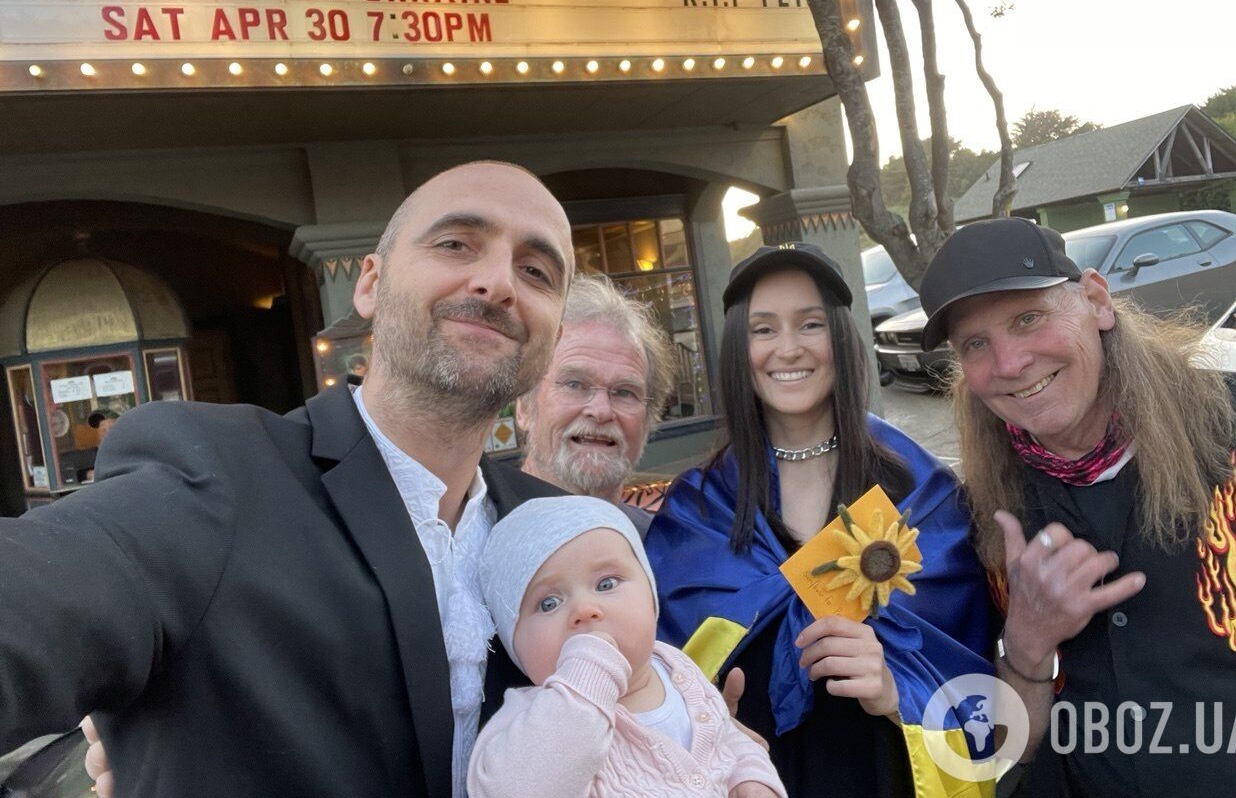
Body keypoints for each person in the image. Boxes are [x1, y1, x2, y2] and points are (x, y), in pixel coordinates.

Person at [0, 160, 575, 798]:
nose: (497, 282)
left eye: (536, 272)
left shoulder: (558, 530)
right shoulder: (213, 476)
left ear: (554, 334)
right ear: (371, 285)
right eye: (455, 244)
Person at [918, 216, 1236, 796]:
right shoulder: (981, 509)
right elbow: (1007, 754)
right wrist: (1030, 643)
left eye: (1028, 318)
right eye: (976, 344)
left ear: (1097, 300)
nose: (1009, 364)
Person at [645, 243, 996, 797]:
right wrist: (702, 718)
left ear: (841, 336)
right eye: (763, 330)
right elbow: (656, 683)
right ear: (740, 349)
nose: (788, 349)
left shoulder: (920, 494)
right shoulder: (701, 508)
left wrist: (895, 689)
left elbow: (974, 681)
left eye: (810, 324)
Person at [469, 495, 784, 798]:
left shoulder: (677, 668)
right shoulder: (528, 721)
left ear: (650, 595)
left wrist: (751, 776)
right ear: (515, 644)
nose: (585, 609)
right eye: (549, 603)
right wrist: (587, 676)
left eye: (606, 584)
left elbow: (726, 737)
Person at [517, 274, 678, 535]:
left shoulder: (667, 551)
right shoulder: (464, 547)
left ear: (648, 423)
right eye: (574, 384)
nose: (602, 411)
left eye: (624, 392)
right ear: (524, 405)